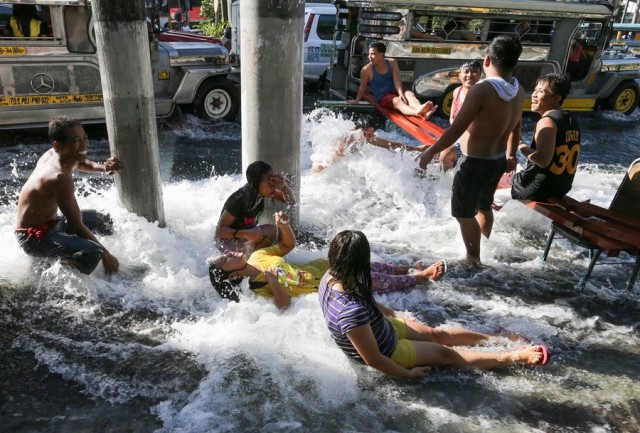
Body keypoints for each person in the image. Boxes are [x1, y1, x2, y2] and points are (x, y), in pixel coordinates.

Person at [318, 230, 550, 379]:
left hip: (381, 327)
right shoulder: (350, 312)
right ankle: (514, 356)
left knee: (436, 334)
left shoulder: (333, 275)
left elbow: (368, 300)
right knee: (445, 353)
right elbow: (374, 359)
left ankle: (497, 340)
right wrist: (408, 375)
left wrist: (394, 314)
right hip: (388, 350)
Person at [417, 35, 525, 265]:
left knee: (463, 213)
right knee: (484, 206)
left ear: (486, 60)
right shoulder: (519, 90)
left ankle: (473, 259)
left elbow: (456, 129)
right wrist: (511, 154)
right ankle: (482, 243)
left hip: (474, 162)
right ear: (515, 63)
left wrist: (429, 152)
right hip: (497, 161)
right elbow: (517, 127)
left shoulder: (482, 90)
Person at [209, 212, 447, 309]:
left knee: (371, 266)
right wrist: (273, 282)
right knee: (372, 279)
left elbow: (286, 245)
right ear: (233, 276)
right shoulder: (258, 287)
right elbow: (284, 306)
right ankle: (421, 277)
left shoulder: (258, 255)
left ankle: (406, 269)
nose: (230, 253)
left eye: (226, 254)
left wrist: (284, 226)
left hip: (326, 266)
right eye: (226, 260)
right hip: (330, 284)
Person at [15, 115, 121, 275]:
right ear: (58, 145)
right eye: (76, 140)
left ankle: (66, 254)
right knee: (93, 252)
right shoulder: (58, 177)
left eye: (85, 137)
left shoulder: (57, 153)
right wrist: (106, 254)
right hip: (34, 239)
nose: (85, 144)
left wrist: (103, 167)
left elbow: (81, 162)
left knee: (102, 220)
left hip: (53, 224)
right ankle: (64, 274)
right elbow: (76, 225)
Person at [508, 73, 580, 202]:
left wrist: (520, 144)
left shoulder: (547, 121)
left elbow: (542, 160)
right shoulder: (572, 119)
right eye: (535, 90)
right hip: (562, 188)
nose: (533, 95)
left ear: (556, 98)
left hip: (539, 190)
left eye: (540, 91)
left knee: (510, 179)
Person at [215, 161, 295, 253]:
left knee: (278, 235)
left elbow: (291, 201)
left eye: (273, 182)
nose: (273, 186)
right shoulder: (238, 200)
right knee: (271, 231)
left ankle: (254, 257)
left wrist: (283, 186)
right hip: (225, 243)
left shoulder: (262, 192)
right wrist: (246, 233)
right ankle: (250, 260)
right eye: (269, 183)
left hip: (243, 236)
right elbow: (219, 232)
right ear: (255, 184)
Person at [311, 114, 429, 173]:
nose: (367, 137)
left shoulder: (368, 137)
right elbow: (331, 157)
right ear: (357, 129)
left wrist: (416, 149)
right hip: (327, 157)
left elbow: (391, 144)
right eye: (365, 133)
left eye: (370, 134)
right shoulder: (348, 138)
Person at [349, 41, 438, 119]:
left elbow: (397, 80)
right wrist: (356, 100)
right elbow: (362, 87)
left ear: (381, 54)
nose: (370, 57)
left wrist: (401, 93)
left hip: (394, 90)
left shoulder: (392, 62)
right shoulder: (366, 70)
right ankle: (417, 113)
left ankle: (420, 109)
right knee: (397, 101)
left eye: (373, 54)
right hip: (383, 96)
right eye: (369, 54)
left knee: (410, 94)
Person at [438, 60, 482, 171]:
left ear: (480, 75)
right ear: (459, 75)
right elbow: (452, 116)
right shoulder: (457, 91)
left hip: (472, 141)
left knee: (445, 154)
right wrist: (456, 128)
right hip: (456, 135)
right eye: (466, 72)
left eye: (474, 72)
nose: (469, 75)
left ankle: (444, 182)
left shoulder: (481, 96)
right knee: (430, 151)